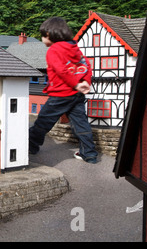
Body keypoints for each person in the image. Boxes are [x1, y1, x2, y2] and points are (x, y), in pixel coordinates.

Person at [29, 17, 98, 163]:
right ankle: (90, 154)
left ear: (49, 34)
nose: (41, 39)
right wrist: (85, 82)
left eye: (42, 35)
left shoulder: (54, 50)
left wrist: (75, 84)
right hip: (77, 95)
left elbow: (61, 70)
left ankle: (31, 146)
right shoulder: (75, 49)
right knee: (81, 124)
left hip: (61, 93)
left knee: (43, 121)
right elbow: (86, 66)